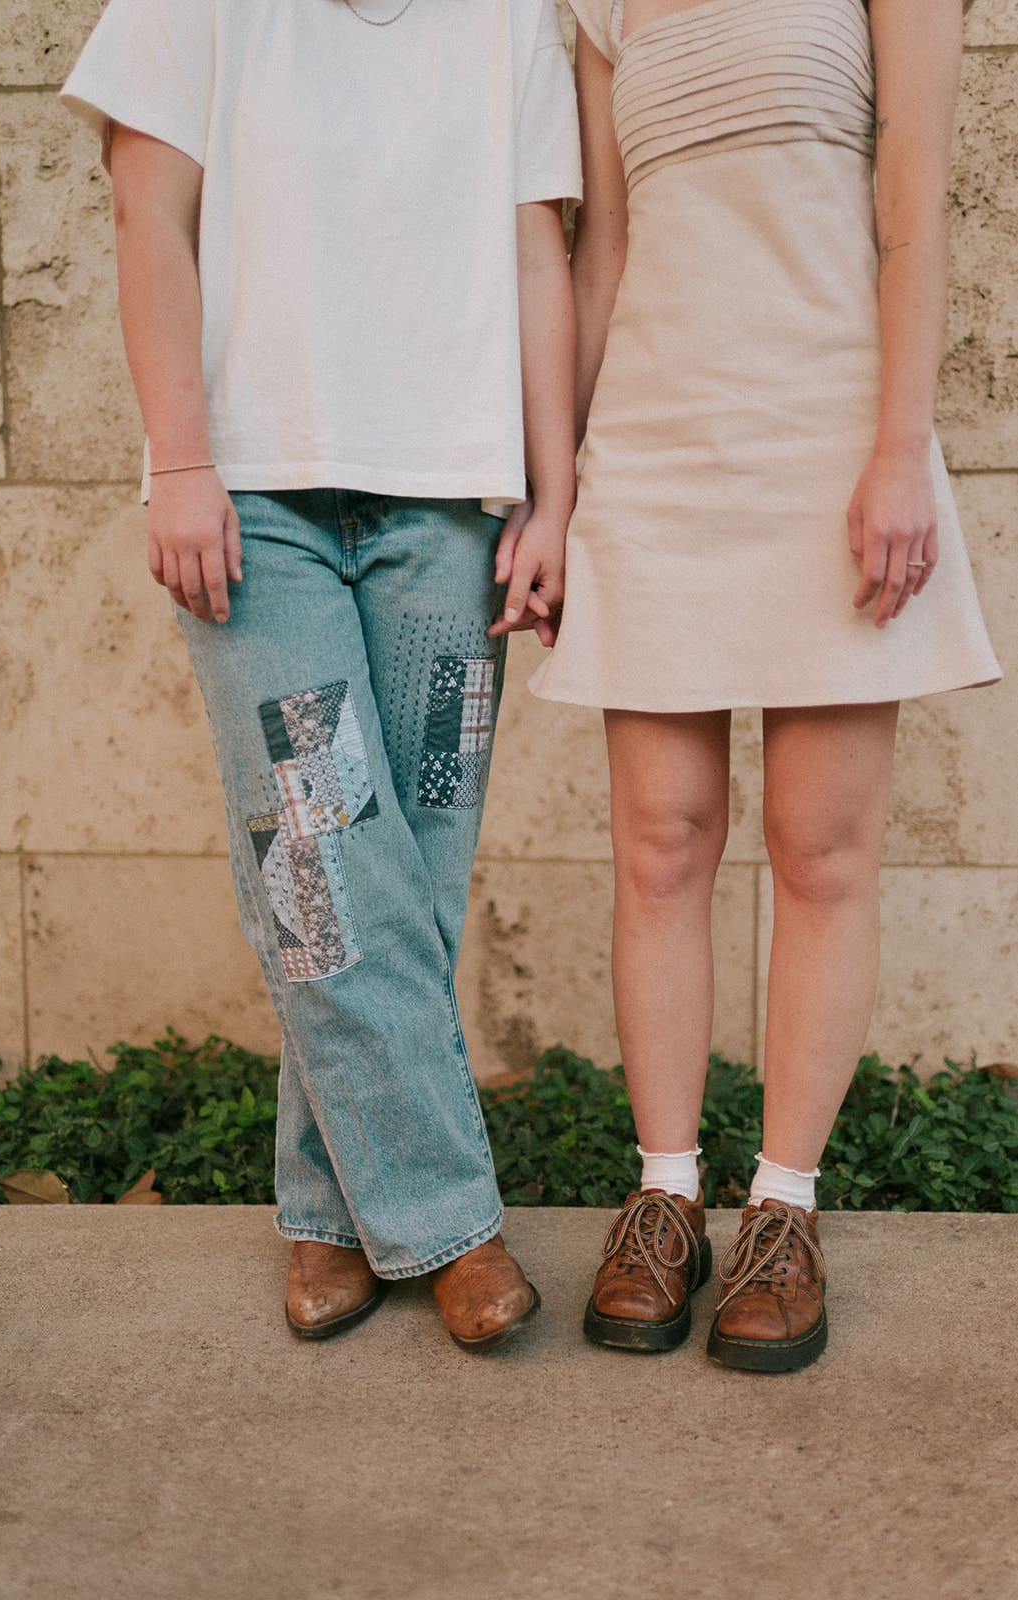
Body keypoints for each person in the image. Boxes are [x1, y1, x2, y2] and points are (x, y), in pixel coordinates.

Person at [61, 0, 580, 1351]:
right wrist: (179, 462)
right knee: (319, 856)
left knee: (407, 866)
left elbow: (538, 256)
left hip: (452, 515)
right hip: (259, 511)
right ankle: (453, 1226)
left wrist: (554, 497)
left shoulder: (510, 18)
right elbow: (146, 217)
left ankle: (325, 1212)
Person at [532, 0, 999, 1370]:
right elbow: (600, 251)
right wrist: (556, 492)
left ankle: (782, 1213)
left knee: (820, 847)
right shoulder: (597, 6)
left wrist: (901, 449)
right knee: (658, 841)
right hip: (656, 449)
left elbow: (913, 203)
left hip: (829, 434)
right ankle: (662, 1195)